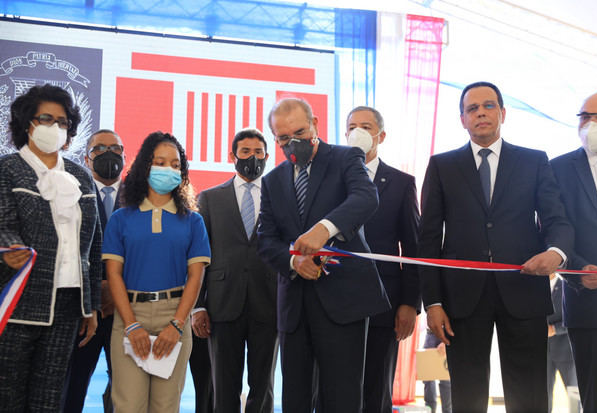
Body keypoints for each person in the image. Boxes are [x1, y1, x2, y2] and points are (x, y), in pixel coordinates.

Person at [418, 81, 574, 412]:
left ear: (503, 113)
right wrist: (432, 302)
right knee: (467, 393)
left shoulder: (533, 161)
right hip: (461, 298)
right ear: (462, 119)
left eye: (488, 106)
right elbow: (428, 239)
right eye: (472, 108)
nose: (481, 113)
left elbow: (556, 219)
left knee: (530, 391)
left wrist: (555, 253)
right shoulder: (442, 166)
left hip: (524, 289)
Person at [257, 97, 390, 412]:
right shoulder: (273, 180)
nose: (294, 142)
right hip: (295, 308)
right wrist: (293, 261)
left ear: (315, 122)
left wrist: (324, 229)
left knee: (342, 399)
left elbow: (365, 198)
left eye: (300, 132)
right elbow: (266, 239)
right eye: (284, 138)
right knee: (296, 399)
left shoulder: (345, 159)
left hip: (343, 303)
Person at [0, 84, 101, 411]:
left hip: (69, 305)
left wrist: (91, 306)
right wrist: (10, 249)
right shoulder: (7, 169)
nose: (55, 127)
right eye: (46, 119)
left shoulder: (81, 177)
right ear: (27, 123)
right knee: (8, 397)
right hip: (19, 303)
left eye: (62, 122)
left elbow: (93, 246)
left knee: (49, 400)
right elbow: (3, 225)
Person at [102, 131, 211, 413]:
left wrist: (177, 325)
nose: (168, 170)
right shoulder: (121, 218)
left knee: (166, 407)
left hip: (174, 317)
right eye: (160, 162)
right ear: (144, 166)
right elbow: (113, 275)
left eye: (176, 165)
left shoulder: (193, 221)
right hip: (129, 316)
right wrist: (131, 325)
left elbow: (195, 277)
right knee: (129, 406)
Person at [192, 127, 278, 413]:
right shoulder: (209, 198)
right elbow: (199, 257)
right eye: (245, 152)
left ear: (267, 156)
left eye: (258, 152)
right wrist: (197, 306)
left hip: (269, 302)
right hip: (222, 304)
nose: (252, 158)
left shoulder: (280, 198)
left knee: (262, 385)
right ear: (232, 156)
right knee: (223, 385)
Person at [345, 106, 420, 413]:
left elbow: (414, 249)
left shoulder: (401, 183)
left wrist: (410, 304)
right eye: (352, 127)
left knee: (376, 390)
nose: (358, 132)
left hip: (384, 304)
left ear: (381, 135)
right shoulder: (331, 178)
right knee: (335, 388)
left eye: (366, 126)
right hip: (335, 303)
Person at [550, 88, 597, 413]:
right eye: (585, 116)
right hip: (588, 303)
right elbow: (551, 230)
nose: (591, 123)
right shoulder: (558, 168)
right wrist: (576, 271)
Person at [62, 129, 125, 412]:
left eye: (116, 148)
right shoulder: (71, 194)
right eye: (100, 149)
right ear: (86, 158)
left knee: (124, 391)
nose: (108, 154)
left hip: (126, 312)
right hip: (83, 311)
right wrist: (94, 290)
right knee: (72, 386)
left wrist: (114, 290)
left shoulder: (140, 198)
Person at [546, 273, 577, 413]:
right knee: (544, 393)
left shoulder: (567, 285)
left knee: (573, 391)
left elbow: (573, 317)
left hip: (565, 351)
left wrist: (554, 329)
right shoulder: (535, 289)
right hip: (543, 352)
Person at [423, 329, 452, 413]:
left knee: (446, 379)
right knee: (427, 377)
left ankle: (447, 410)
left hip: (446, 333)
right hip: (430, 333)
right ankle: (430, 410)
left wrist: (445, 341)